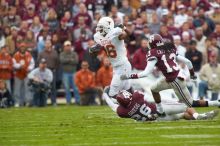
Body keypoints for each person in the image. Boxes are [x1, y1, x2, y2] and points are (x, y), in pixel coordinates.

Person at [121, 34, 219, 118]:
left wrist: (128, 76)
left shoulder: (153, 53)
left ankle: (216, 103)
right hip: (172, 77)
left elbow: (146, 73)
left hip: (175, 80)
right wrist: (192, 74)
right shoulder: (169, 48)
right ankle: (160, 111)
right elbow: (188, 62)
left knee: (190, 103)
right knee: (154, 89)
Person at [103, 88, 219, 121]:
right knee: (186, 104)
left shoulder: (123, 112)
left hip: (157, 120)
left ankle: (201, 116)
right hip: (160, 110)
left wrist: (105, 95)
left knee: (183, 115)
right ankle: (198, 116)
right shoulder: (137, 97)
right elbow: (151, 98)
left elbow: (114, 107)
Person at [89, 17, 132, 99]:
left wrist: (124, 28)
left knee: (112, 94)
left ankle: (121, 109)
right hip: (115, 66)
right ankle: (134, 106)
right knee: (127, 90)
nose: (99, 29)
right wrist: (93, 51)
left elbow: (128, 35)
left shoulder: (115, 33)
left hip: (123, 64)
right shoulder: (98, 36)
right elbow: (96, 54)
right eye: (99, 27)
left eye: (101, 27)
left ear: (108, 27)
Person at [13, 42, 35, 107]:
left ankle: (27, 102)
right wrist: (19, 66)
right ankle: (17, 102)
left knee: (27, 88)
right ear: (19, 48)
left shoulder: (29, 55)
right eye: (21, 47)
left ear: (25, 48)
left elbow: (32, 64)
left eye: (23, 47)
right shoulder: (16, 55)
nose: (22, 48)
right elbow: (13, 63)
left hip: (26, 74)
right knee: (17, 89)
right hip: (18, 74)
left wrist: (29, 68)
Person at [38, 39, 59, 106]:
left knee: (53, 88)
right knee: (44, 87)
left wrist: (55, 69)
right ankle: (44, 102)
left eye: (49, 43)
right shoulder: (41, 53)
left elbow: (58, 62)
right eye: (46, 43)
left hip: (52, 71)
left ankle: (54, 102)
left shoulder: (55, 52)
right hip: (44, 72)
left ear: (51, 44)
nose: (47, 45)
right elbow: (38, 62)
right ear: (44, 45)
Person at [60, 41, 80, 105]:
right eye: (67, 46)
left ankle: (77, 101)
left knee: (76, 88)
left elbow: (76, 61)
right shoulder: (62, 54)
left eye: (69, 46)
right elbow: (62, 61)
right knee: (67, 88)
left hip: (74, 73)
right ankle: (68, 102)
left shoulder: (74, 53)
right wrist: (70, 59)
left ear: (71, 46)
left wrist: (67, 60)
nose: (68, 47)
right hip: (65, 73)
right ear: (64, 47)